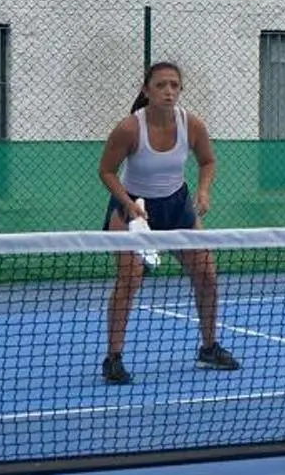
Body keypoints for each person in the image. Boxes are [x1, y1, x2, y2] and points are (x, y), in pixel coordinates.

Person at [98, 61, 236, 381]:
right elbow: (106, 170)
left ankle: (209, 348)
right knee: (129, 280)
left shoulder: (192, 124)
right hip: (133, 209)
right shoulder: (129, 128)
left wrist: (203, 191)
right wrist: (128, 204)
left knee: (206, 275)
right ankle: (113, 358)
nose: (168, 91)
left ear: (180, 90)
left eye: (174, 85)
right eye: (160, 85)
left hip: (177, 207)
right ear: (147, 91)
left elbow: (207, 161)